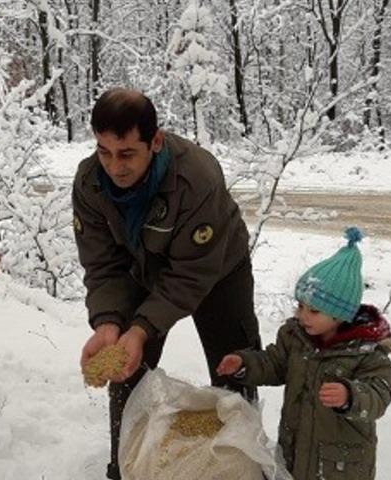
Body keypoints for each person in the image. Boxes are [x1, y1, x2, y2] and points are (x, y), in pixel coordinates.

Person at [73, 88, 262, 480]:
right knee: (126, 368)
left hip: (217, 270)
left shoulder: (196, 178)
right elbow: (102, 264)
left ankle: (244, 465)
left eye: (127, 154)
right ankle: (124, 467)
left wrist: (143, 327)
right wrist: (109, 323)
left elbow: (191, 275)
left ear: (155, 141)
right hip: (142, 269)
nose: (114, 167)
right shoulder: (90, 182)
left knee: (234, 368)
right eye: (104, 152)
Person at [217, 227, 391, 480]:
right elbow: (275, 363)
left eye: (313, 311)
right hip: (294, 451)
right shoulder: (295, 338)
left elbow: (379, 394)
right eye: (300, 306)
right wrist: (243, 364)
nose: (302, 315)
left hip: (340, 466)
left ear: (340, 314)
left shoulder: (367, 352)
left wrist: (350, 396)